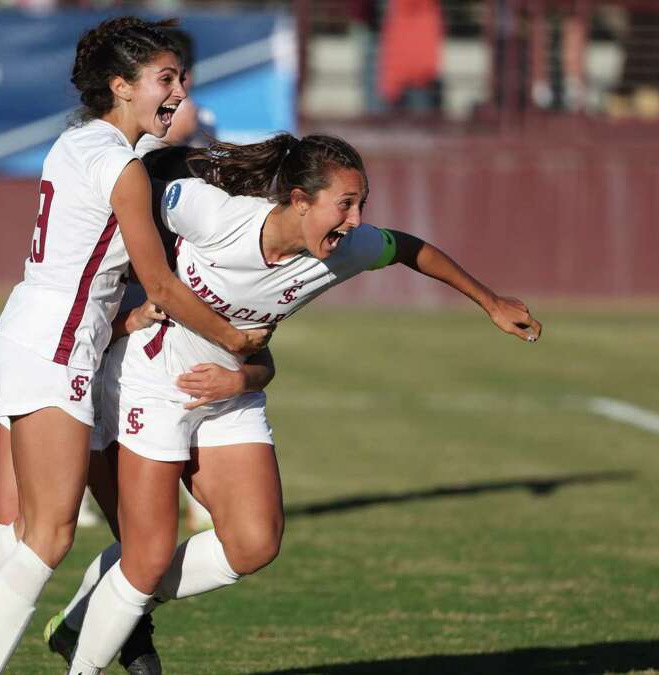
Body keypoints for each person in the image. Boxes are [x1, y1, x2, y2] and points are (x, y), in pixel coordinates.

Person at [0, 16, 269, 675]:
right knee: (48, 536)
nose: (179, 91)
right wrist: (235, 338)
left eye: (182, 79)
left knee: (19, 534)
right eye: (165, 80)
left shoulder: (76, 141)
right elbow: (162, 286)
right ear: (121, 86)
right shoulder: (123, 169)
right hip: (57, 347)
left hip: (29, 330)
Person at [60, 133, 543, 674]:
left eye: (361, 204)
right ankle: (89, 656)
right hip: (152, 380)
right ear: (298, 199)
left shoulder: (348, 249)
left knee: (253, 544)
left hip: (231, 392)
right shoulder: (213, 213)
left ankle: (93, 606)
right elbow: (140, 194)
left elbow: (409, 249)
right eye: (345, 204)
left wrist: (491, 301)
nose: (356, 220)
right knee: (145, 557)